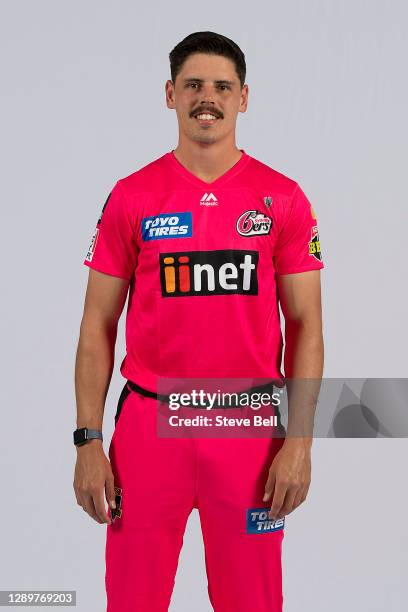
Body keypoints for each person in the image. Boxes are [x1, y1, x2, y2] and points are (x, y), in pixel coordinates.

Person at [73, 31, 324, 612]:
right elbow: (96, 325)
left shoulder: (282, 198)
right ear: (170, 94)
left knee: (253, 601)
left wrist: (301, 443)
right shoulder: (131, 197)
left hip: (248, 431)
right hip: (148, 427)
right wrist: (87, 439)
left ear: (243, 98)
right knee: (132, 599)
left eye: (221, 86)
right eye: (193, 85)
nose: (206, 98)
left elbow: (307, 324)